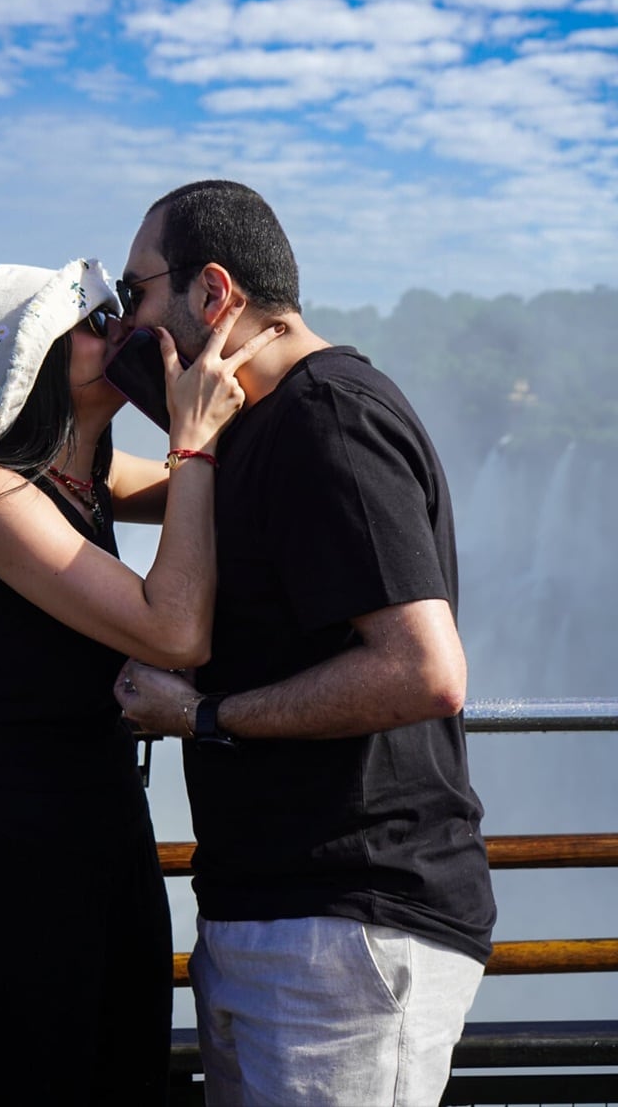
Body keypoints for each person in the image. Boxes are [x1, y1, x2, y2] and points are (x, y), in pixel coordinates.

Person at [111, 182, 497, 1107]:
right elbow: (109, 479)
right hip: (271, 917)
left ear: (214, 293)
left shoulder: (330, 418)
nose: (128, 321)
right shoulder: (244, 431)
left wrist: (202, 715)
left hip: (346, 930)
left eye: (137, 293)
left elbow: (425, 669)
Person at [0, 257, 281, 1104]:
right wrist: (190, 440)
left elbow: (230, 489)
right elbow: (174, 627)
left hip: (107, 846)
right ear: (33, 368)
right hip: (13, 870)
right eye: (93, 324)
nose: (123, 332)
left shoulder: (92, 478)